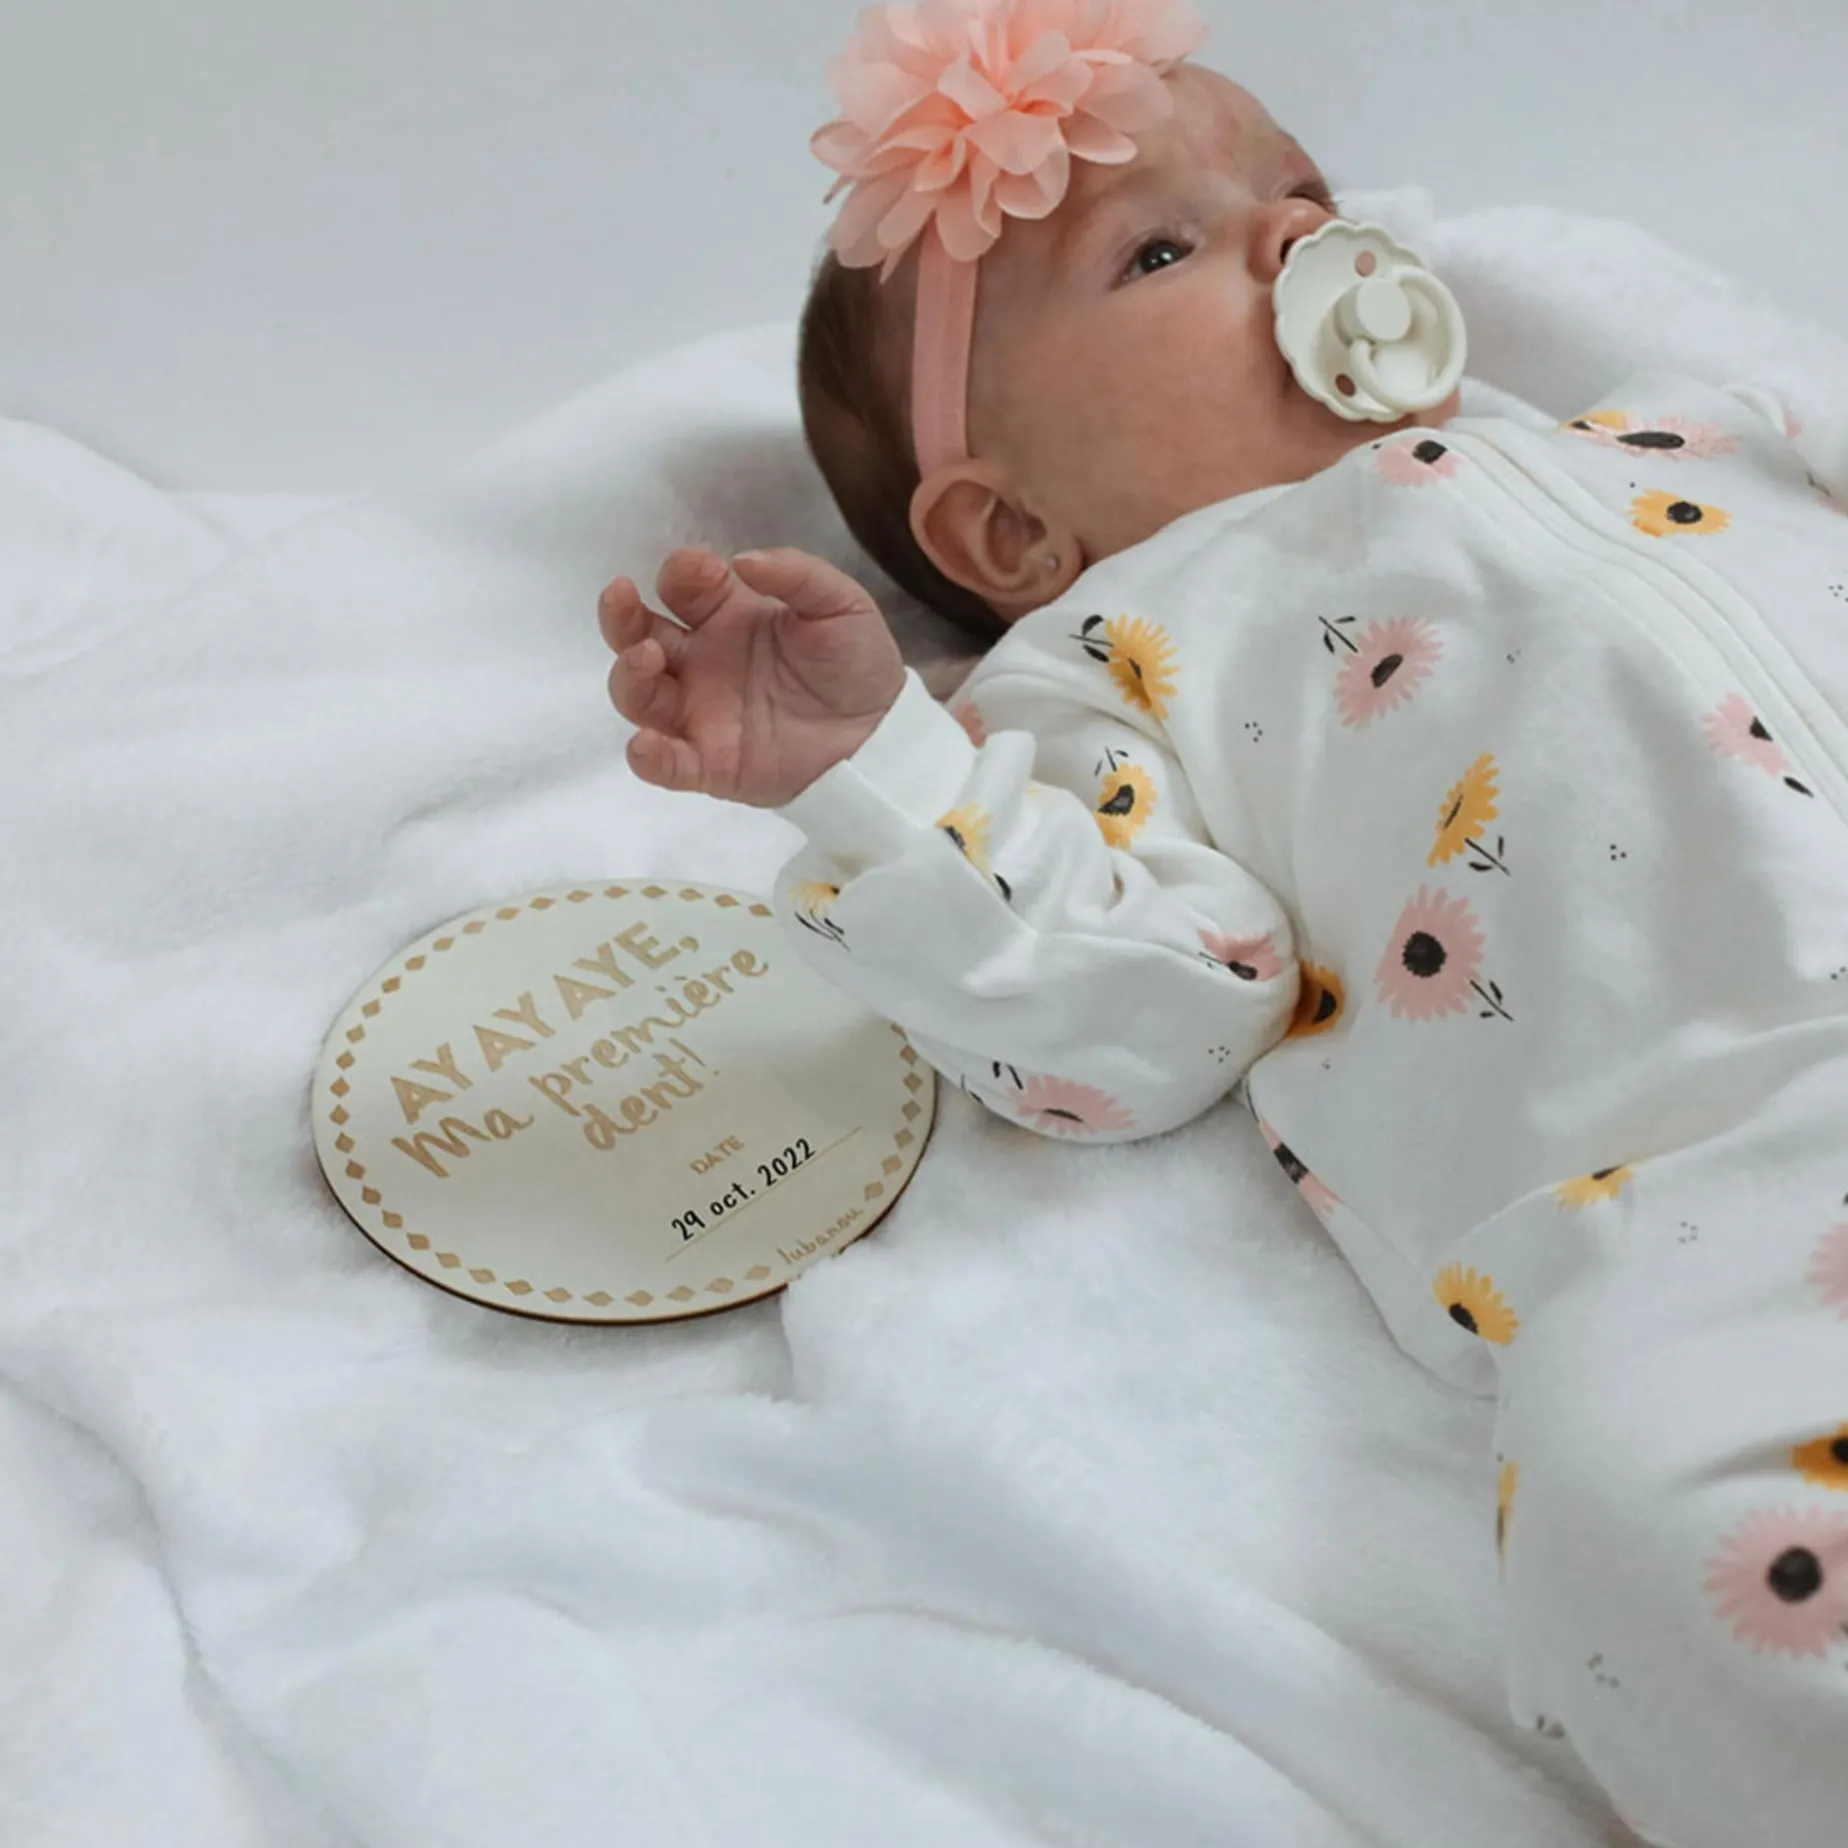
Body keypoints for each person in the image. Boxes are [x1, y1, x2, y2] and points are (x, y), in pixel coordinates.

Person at [597, 3, 1848, 1841]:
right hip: (1704, 1187)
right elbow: (1130, 1020)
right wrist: (877, 779)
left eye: (1303, 189)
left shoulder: (1668, 425)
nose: (1298, 236)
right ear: (1010, 535)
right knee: (1643, 1513)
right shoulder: (1117, 666)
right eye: (1160, 252)